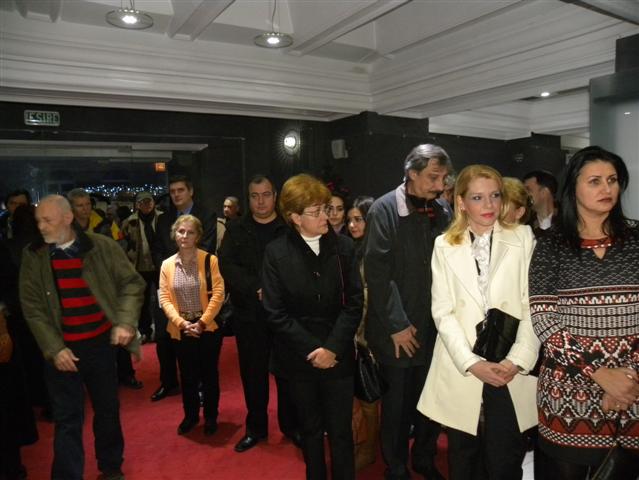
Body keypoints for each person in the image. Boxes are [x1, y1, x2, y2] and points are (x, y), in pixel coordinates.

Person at [417, 165, 539, 480]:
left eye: (495, 196)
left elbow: (533, 305)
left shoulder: (522, 237)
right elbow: (442, 312)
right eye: (477, 197)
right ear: (460, 202)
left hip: (510, 363)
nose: (489, 205)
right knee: (463, 461)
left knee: (504, 461)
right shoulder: (444, 245)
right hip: (463, 363)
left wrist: (517, 359)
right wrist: (471, 363)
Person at [529, 145, 639, 479]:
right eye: (595, 181)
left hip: (633, 390)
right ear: (573, 187)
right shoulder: (551, 244)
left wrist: (627, 379)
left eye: (612, 180)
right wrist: (601, 374)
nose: (607, 188)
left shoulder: (636, 238)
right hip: (568, 393)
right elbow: (544, 319)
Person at [19, 195, 145, 480]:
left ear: (67, 218)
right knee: (67, 419)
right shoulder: (34, 255)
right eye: (38, 220)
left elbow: (132, 283)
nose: (41, 226)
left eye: (47, 220)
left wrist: (125, 321)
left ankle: (111, 468)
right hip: (62, 350)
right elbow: (32, 307)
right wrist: (55, 348)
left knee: (108, 410)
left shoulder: (101, 246)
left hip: (100, 344)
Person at [262, 174, 363, 479]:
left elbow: (354, 303)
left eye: (326, 209)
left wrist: (332, 348)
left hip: (338, 354)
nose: (326, 217)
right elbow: (275, 312)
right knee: (310, 430)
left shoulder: (343, 247)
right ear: (295, 218)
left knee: (341, 431)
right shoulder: (276, 253)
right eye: (316, 211)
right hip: (298, 357)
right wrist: (313, 349)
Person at [364, 144, 451, 480]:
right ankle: (396, 466)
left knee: (432, 399)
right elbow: (378, 275)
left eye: (443, 178)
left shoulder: (442, 209)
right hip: (397, 328)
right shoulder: (384, 209)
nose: (440, 186)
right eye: (433, 177)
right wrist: (398, 325)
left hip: (435, 326)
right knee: (397, 406)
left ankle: (424, 458)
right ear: (411, 173)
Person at [218, 174, 300, 453]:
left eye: (266, 195)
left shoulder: (289, 227)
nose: (261, 201)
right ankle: (256, 428)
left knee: (288, 374)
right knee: (252, 374)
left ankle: (291, 426)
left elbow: (300, 263)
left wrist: (275, 288)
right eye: (255, 196)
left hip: (286, 314)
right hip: (249, 314)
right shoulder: (236, 229)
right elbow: (227, 265)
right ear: (248, 199)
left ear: (275, 196)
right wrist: (257, 287)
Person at [67, 188, 142, 389]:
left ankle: (126, 373)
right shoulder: (66, 231)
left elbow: (121, 245)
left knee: (118, 326)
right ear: (71, 208)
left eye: (87, 204)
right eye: (80, 205)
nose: (85, 209)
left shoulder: (104, 224)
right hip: (83, 288)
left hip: (109, 282)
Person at [151, 174, 217, 402]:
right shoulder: (163, 219)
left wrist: (181, 262)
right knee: (163, 336)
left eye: (180, 190)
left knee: (195, 338)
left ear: (191, 191)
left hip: (195, 284)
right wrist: (171, 268)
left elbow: (207, 248)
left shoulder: (206, 215)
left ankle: (199, 385)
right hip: (168, 284)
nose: (176, 195)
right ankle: (168, 382)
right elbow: (157, 251)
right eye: (172, 191)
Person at [158, 215, 225, 436]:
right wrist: (181, 323)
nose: (185, 236)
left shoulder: (209, 260)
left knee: (209, 375)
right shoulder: (167, 265)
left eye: (190, 232)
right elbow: (164, 299)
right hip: (181, 328)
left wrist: (202, 322)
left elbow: (218, 294)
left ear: (198, 236)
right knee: (187, 376)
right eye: (181, 231)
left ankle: (211, 417)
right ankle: (191, 416)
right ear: (174, 234)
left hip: (207, 327)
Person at [345, 195, 379, 471]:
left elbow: (368, 299)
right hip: (354, 335)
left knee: (369, 396)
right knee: (358, 395)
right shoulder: (352, 249)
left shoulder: (376, 251)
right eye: (350, 220)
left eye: (358, 219)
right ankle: (361, 443)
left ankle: (369, 448)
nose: (352, 225)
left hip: (370, 337)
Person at [121, 192, 163, 343]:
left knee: (163, 300)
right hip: (139, 266)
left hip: (160, 266)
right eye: (143, 202)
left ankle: (163, 329)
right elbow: (123, 244)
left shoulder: (162, 218)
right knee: (142, 302)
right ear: (137, 205)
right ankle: (145, 330)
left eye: (149, 201)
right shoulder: (129, 222)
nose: (147, 205)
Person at [522, 170, 558, 235]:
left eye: (528, 189)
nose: (524, 194)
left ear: (544, 192)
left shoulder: (568, 222)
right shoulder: (524, 226)